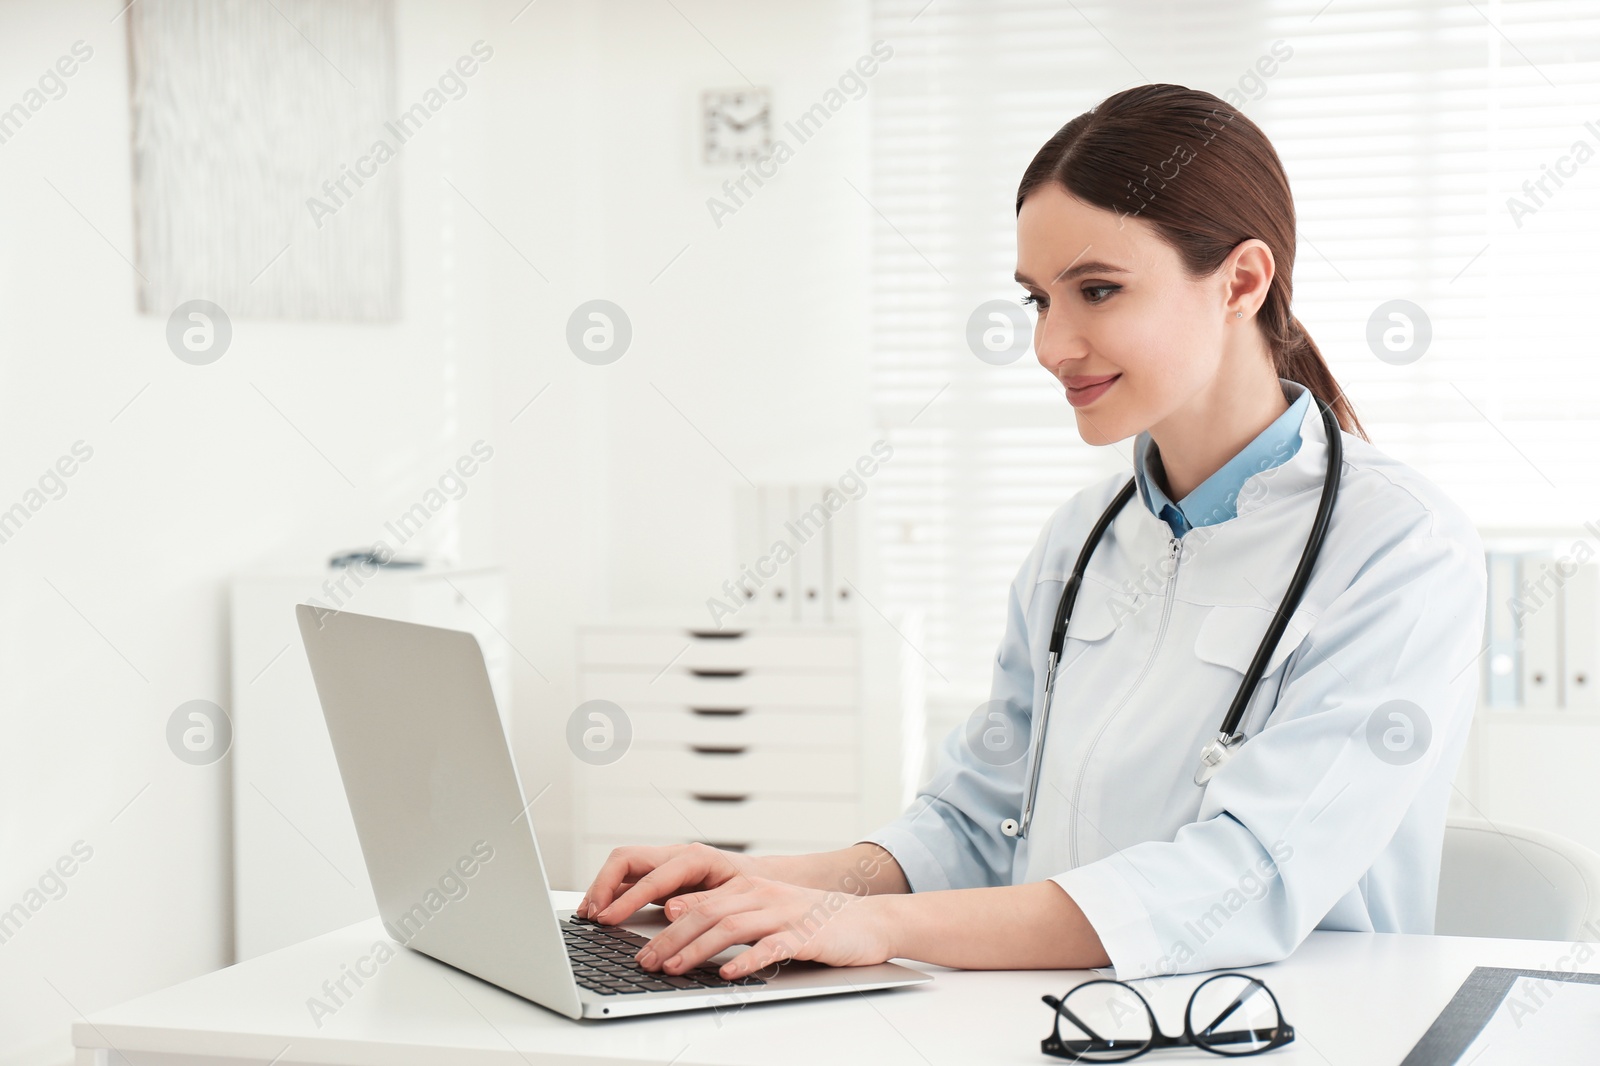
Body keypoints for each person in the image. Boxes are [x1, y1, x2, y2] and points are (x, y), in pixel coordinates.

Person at [577, 83, 1487, 985]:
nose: (1052, 345)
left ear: (1242, 282)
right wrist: (763, 879)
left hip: (1285, 1031)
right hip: (1060, 1024)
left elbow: (1246, 877)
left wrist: (870, 923)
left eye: (1097, 291)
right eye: (1037, 302)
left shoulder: (1401, 551)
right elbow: (977, 822)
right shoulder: (1080, 541)